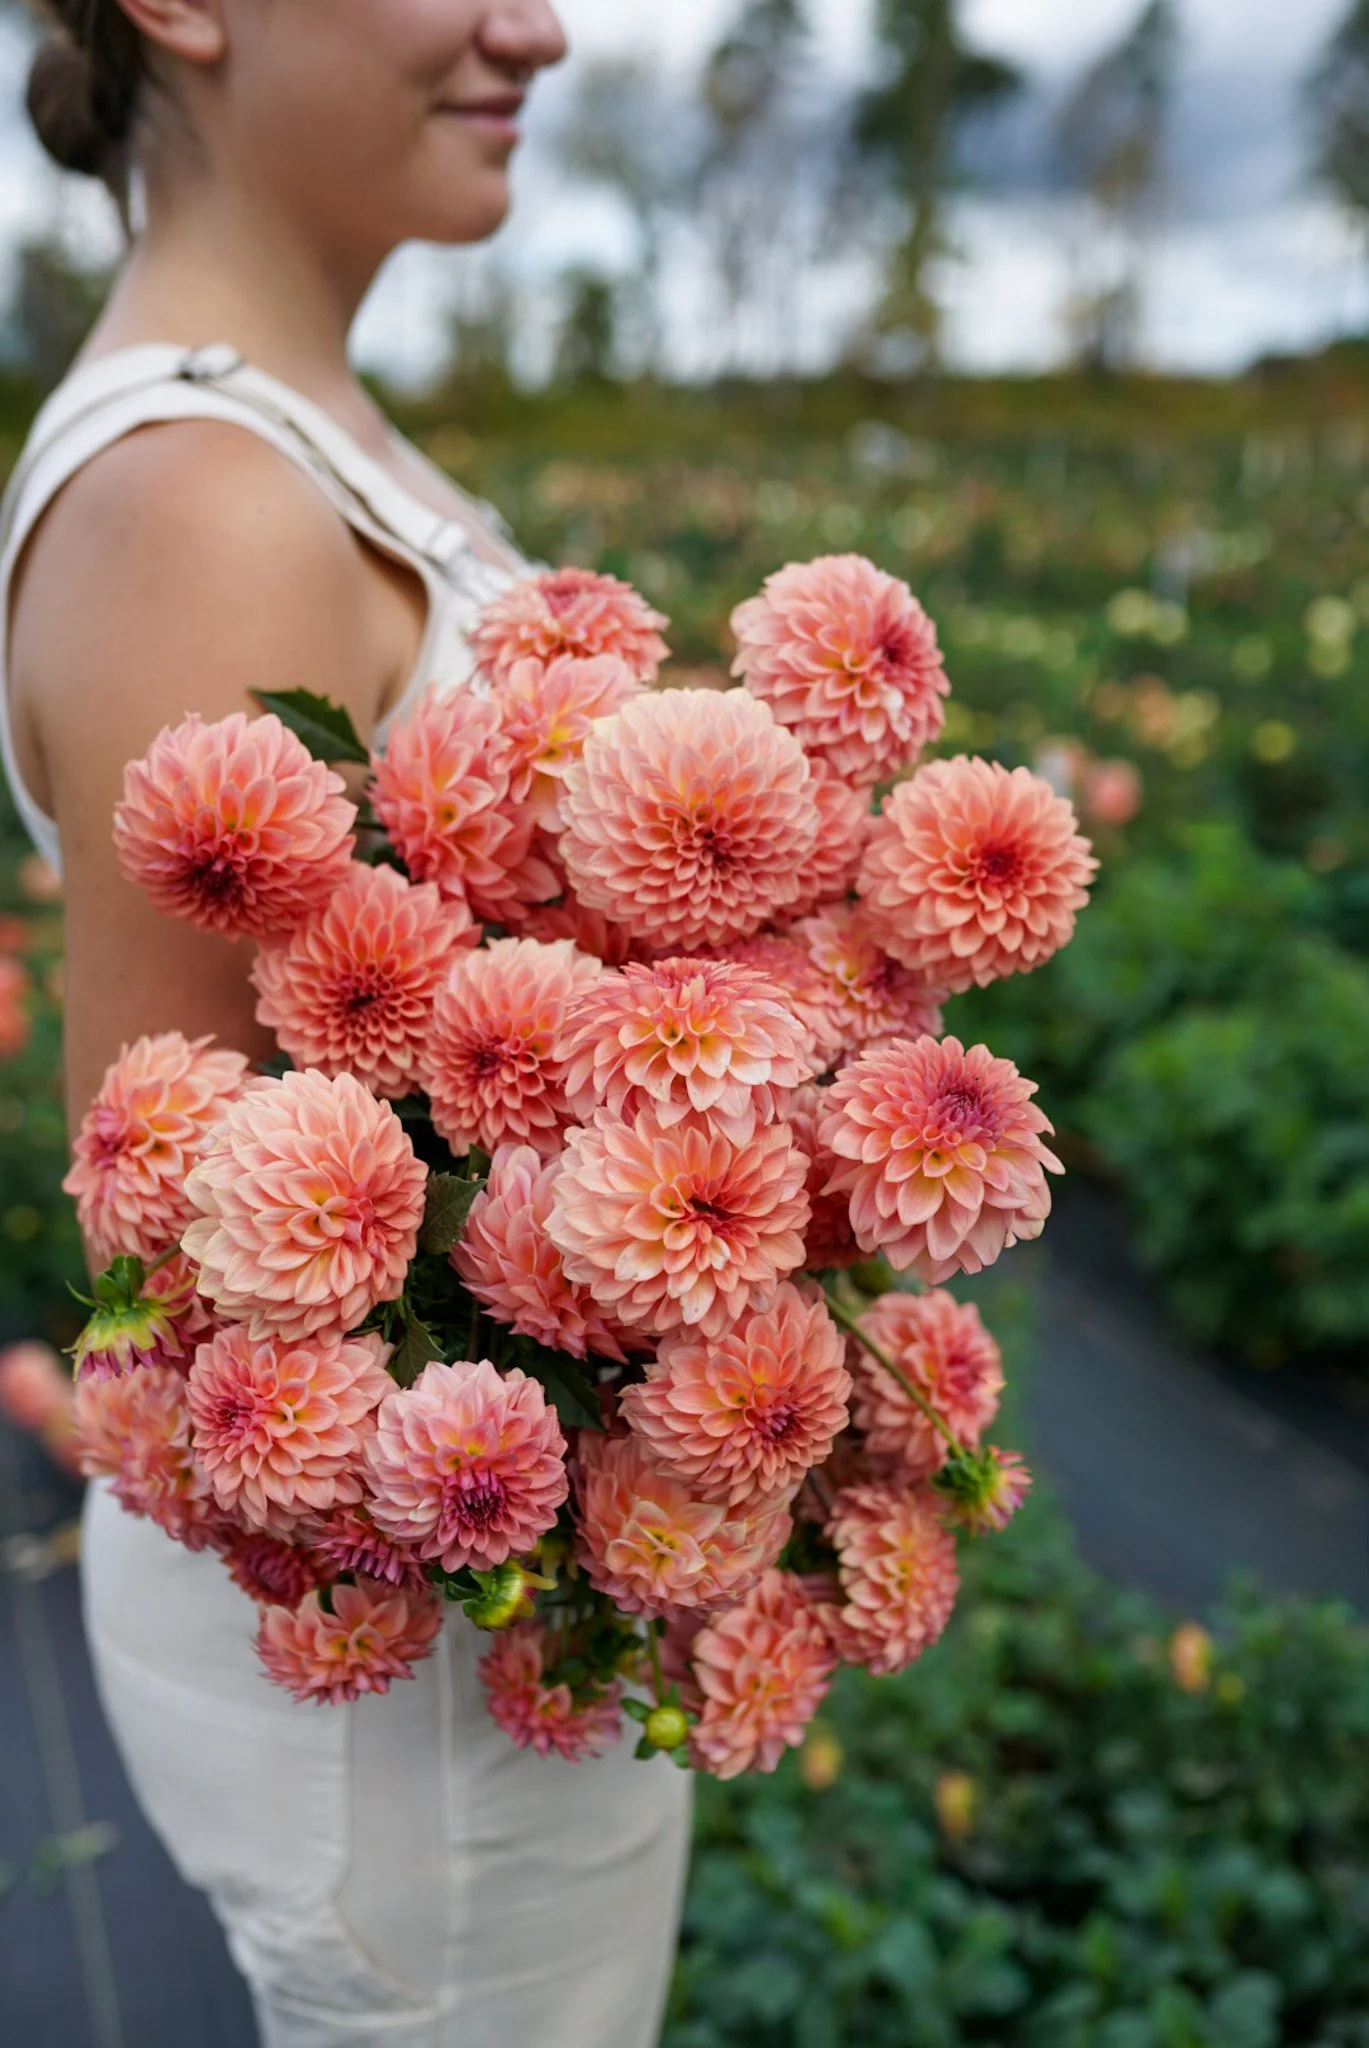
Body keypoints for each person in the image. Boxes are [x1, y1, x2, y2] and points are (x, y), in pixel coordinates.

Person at [0, 5, 692, 2044]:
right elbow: (205, 1280)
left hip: (477, 1639)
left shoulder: (301, 438)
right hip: (423, 1678)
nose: (537, 26)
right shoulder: (207, 505)